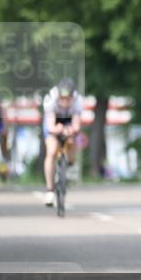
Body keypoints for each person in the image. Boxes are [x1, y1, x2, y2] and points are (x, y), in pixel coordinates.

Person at [42, 78, 83, 207]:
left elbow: (76, 125)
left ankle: (70, 164)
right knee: (52, 150)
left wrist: (71, 130)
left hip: (69, 120)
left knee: (72, 140)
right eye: (62, 98)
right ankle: (50, 189)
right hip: (54, 121)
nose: (65, 101)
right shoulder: (50, 100)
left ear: (73, 96)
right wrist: (57, 130)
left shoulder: (78, 102)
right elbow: (50, 126)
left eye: (68, 98)